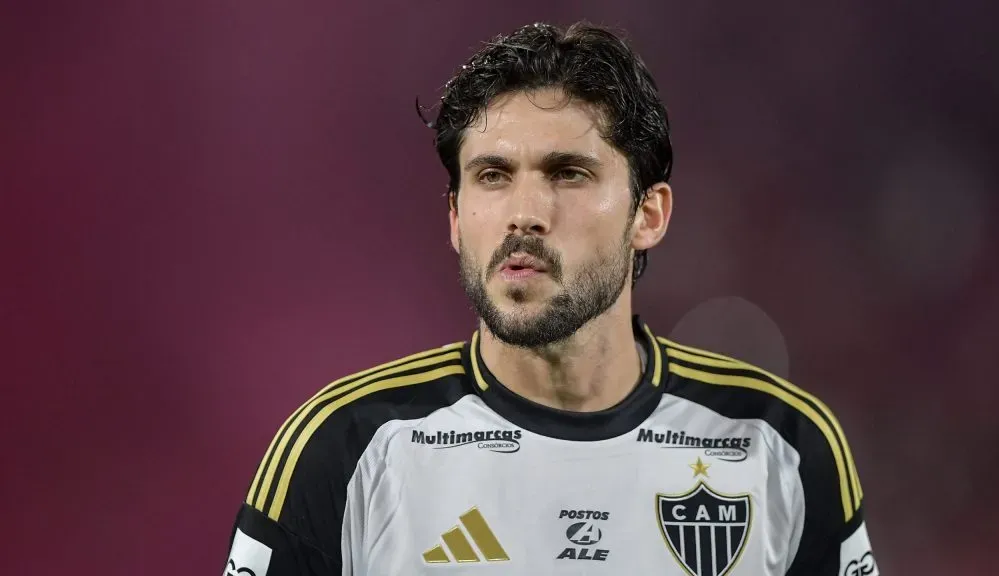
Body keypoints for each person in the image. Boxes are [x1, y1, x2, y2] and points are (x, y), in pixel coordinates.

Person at [223, 21, 878, 576]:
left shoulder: (781, 446)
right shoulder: (344, 451)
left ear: (648, 214)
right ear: (455, 219)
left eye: (568, 173)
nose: (525, 214)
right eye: (492, 177)